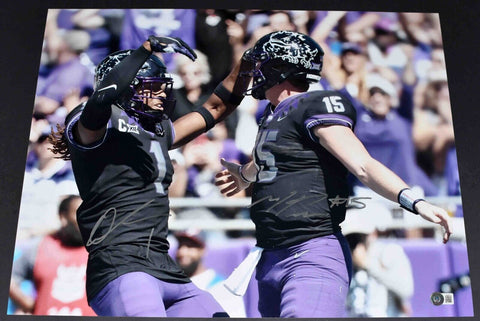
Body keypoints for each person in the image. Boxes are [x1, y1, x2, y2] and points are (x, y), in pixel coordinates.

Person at [214, 30, 452, 318]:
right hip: (270, 256)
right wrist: (244, 174)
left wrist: (416, 202)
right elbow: (269, 160)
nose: (257, 72)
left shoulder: (315, 104)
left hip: (312, 253)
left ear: (279, 69)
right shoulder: (272, 114)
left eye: (263, 65)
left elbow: (363, 164)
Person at [48, 34, 252, 317]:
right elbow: (101, 99)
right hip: (120, 265)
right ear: (125, 88)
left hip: (165, 267)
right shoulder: (98, 123)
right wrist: (144, 50)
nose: (162, 95)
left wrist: (245, 65)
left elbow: (215, 108)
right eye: (152, 87)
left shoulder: (157, 132)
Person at [10, 195, 95, 316]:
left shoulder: (98, 250)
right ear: (63, 217)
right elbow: (10, 278)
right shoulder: (40, 246)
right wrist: (30, 305)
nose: (85, 219)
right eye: (79, 214)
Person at [174, 229, 247, 317]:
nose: (182, 252)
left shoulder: (222, 287)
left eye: (190, 246)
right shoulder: (172, 284)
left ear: (202, 250)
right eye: (180, 246)